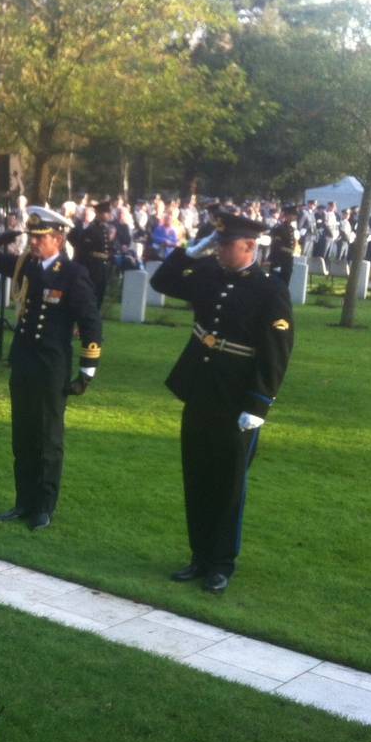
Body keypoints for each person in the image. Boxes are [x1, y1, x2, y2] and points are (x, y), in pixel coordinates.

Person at [149, 209, 294, 594]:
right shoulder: (210, 273)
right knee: (196, 475)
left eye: (225, 244)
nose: (219, 250)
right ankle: (199, 556)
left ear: (249, 246)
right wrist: (189, 252)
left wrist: (258, 405)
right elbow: (162, 281)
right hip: (201, 389)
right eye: (217, 243)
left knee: (228, 485)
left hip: (236, 398)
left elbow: (276, 352)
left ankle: (221, 563)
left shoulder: (269, 289)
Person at [0, 207, 103, 531]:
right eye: (32, 237)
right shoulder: (27, 266)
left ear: (58, 239)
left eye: (41, 238)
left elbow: (90, 321)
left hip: (51, 366)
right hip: (24, 362)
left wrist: (87, 370)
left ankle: (44, 506)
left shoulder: (72, 273)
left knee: (48, 437)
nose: (34, 243)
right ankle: (24, 500)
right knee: (23, 434)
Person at [71, 199, 114, 308]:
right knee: (91, 295)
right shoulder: (91, 230)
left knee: (100, 294)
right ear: (99, 214)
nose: (109, 215)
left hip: (102, 267)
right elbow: (83, 250)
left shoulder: (104, 229)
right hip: (92, 267)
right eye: (106, 212)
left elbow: (107, 249)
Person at [266, 206, 297, 285]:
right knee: (276, 281)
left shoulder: (291, 228)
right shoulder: (279, 228)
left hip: (288, 259)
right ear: (287, 216)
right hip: (279, 259)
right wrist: (289, 251)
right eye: (293, 215)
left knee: (286, 279)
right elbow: (276, 245)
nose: (295, 217)